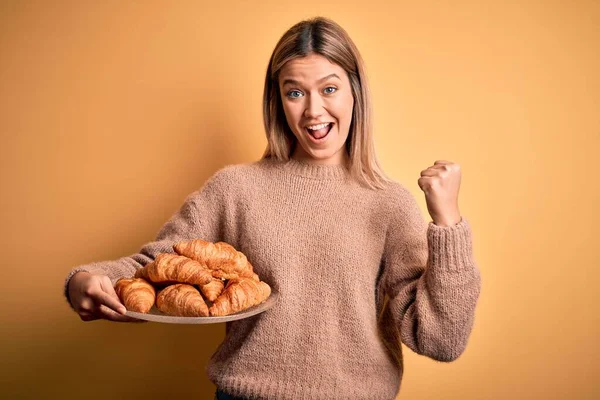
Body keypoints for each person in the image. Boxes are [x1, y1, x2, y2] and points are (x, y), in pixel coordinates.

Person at [64, 16, 482, 400]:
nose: (314, 110)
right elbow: (155, 266)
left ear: (356, 91)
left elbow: (441, 340)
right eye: (295, 92)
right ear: (278, 101)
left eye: (330, 88)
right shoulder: (236, 189)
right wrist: (87, 279)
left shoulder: (389, 204)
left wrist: (448, 222)